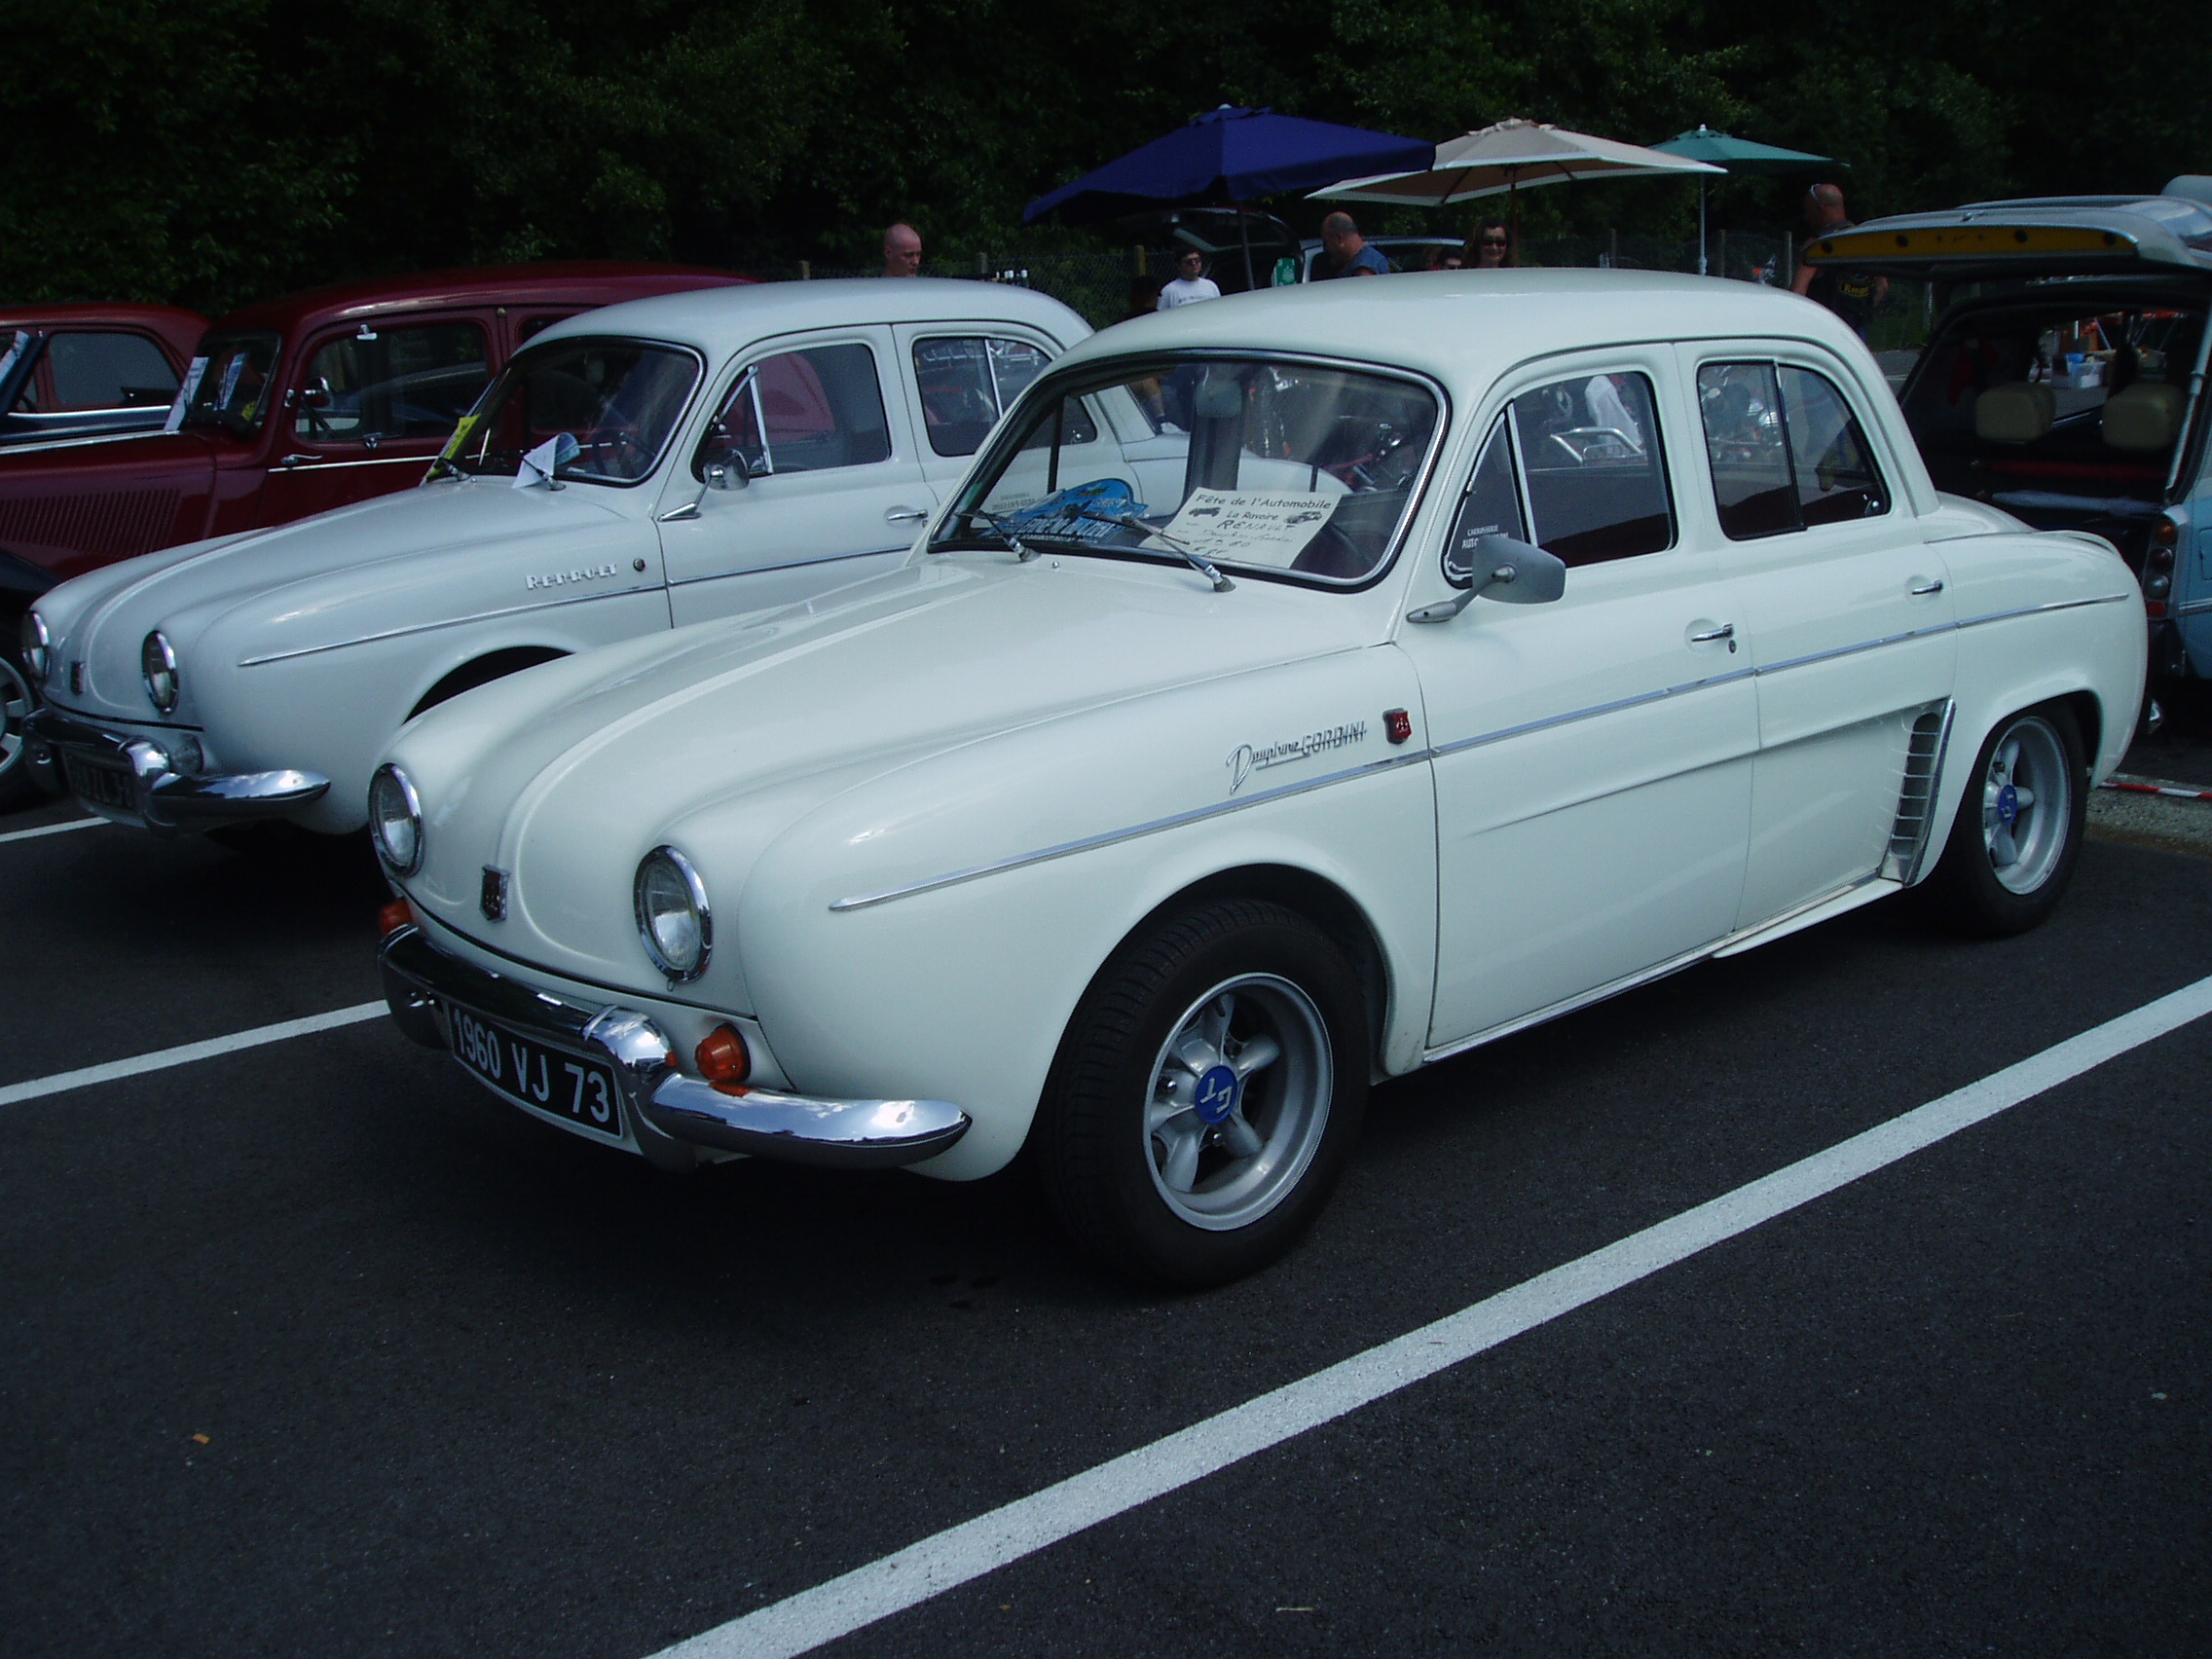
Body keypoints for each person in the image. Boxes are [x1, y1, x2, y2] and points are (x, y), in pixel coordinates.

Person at [1791, 184, 1885, 338]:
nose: (1806, 217)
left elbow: (1798, 293)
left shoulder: (1819, 245)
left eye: (1808, 211)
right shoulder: (1865, 239)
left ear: (1821, 208)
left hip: (1824, 331)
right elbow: (1882, 286)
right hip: (1857, 332)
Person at [1314, 211, 1390, 278]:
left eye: (1326, 242)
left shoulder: (1363, 271)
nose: (1325, 249)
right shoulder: (1371, 257)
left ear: (1339, 238)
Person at [1156, 248, 1221, 310]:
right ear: (1179, 265)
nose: (1194, 263)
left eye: (1197, 260)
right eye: (1189, 261)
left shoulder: (1211, 286)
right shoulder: (1169, 291)